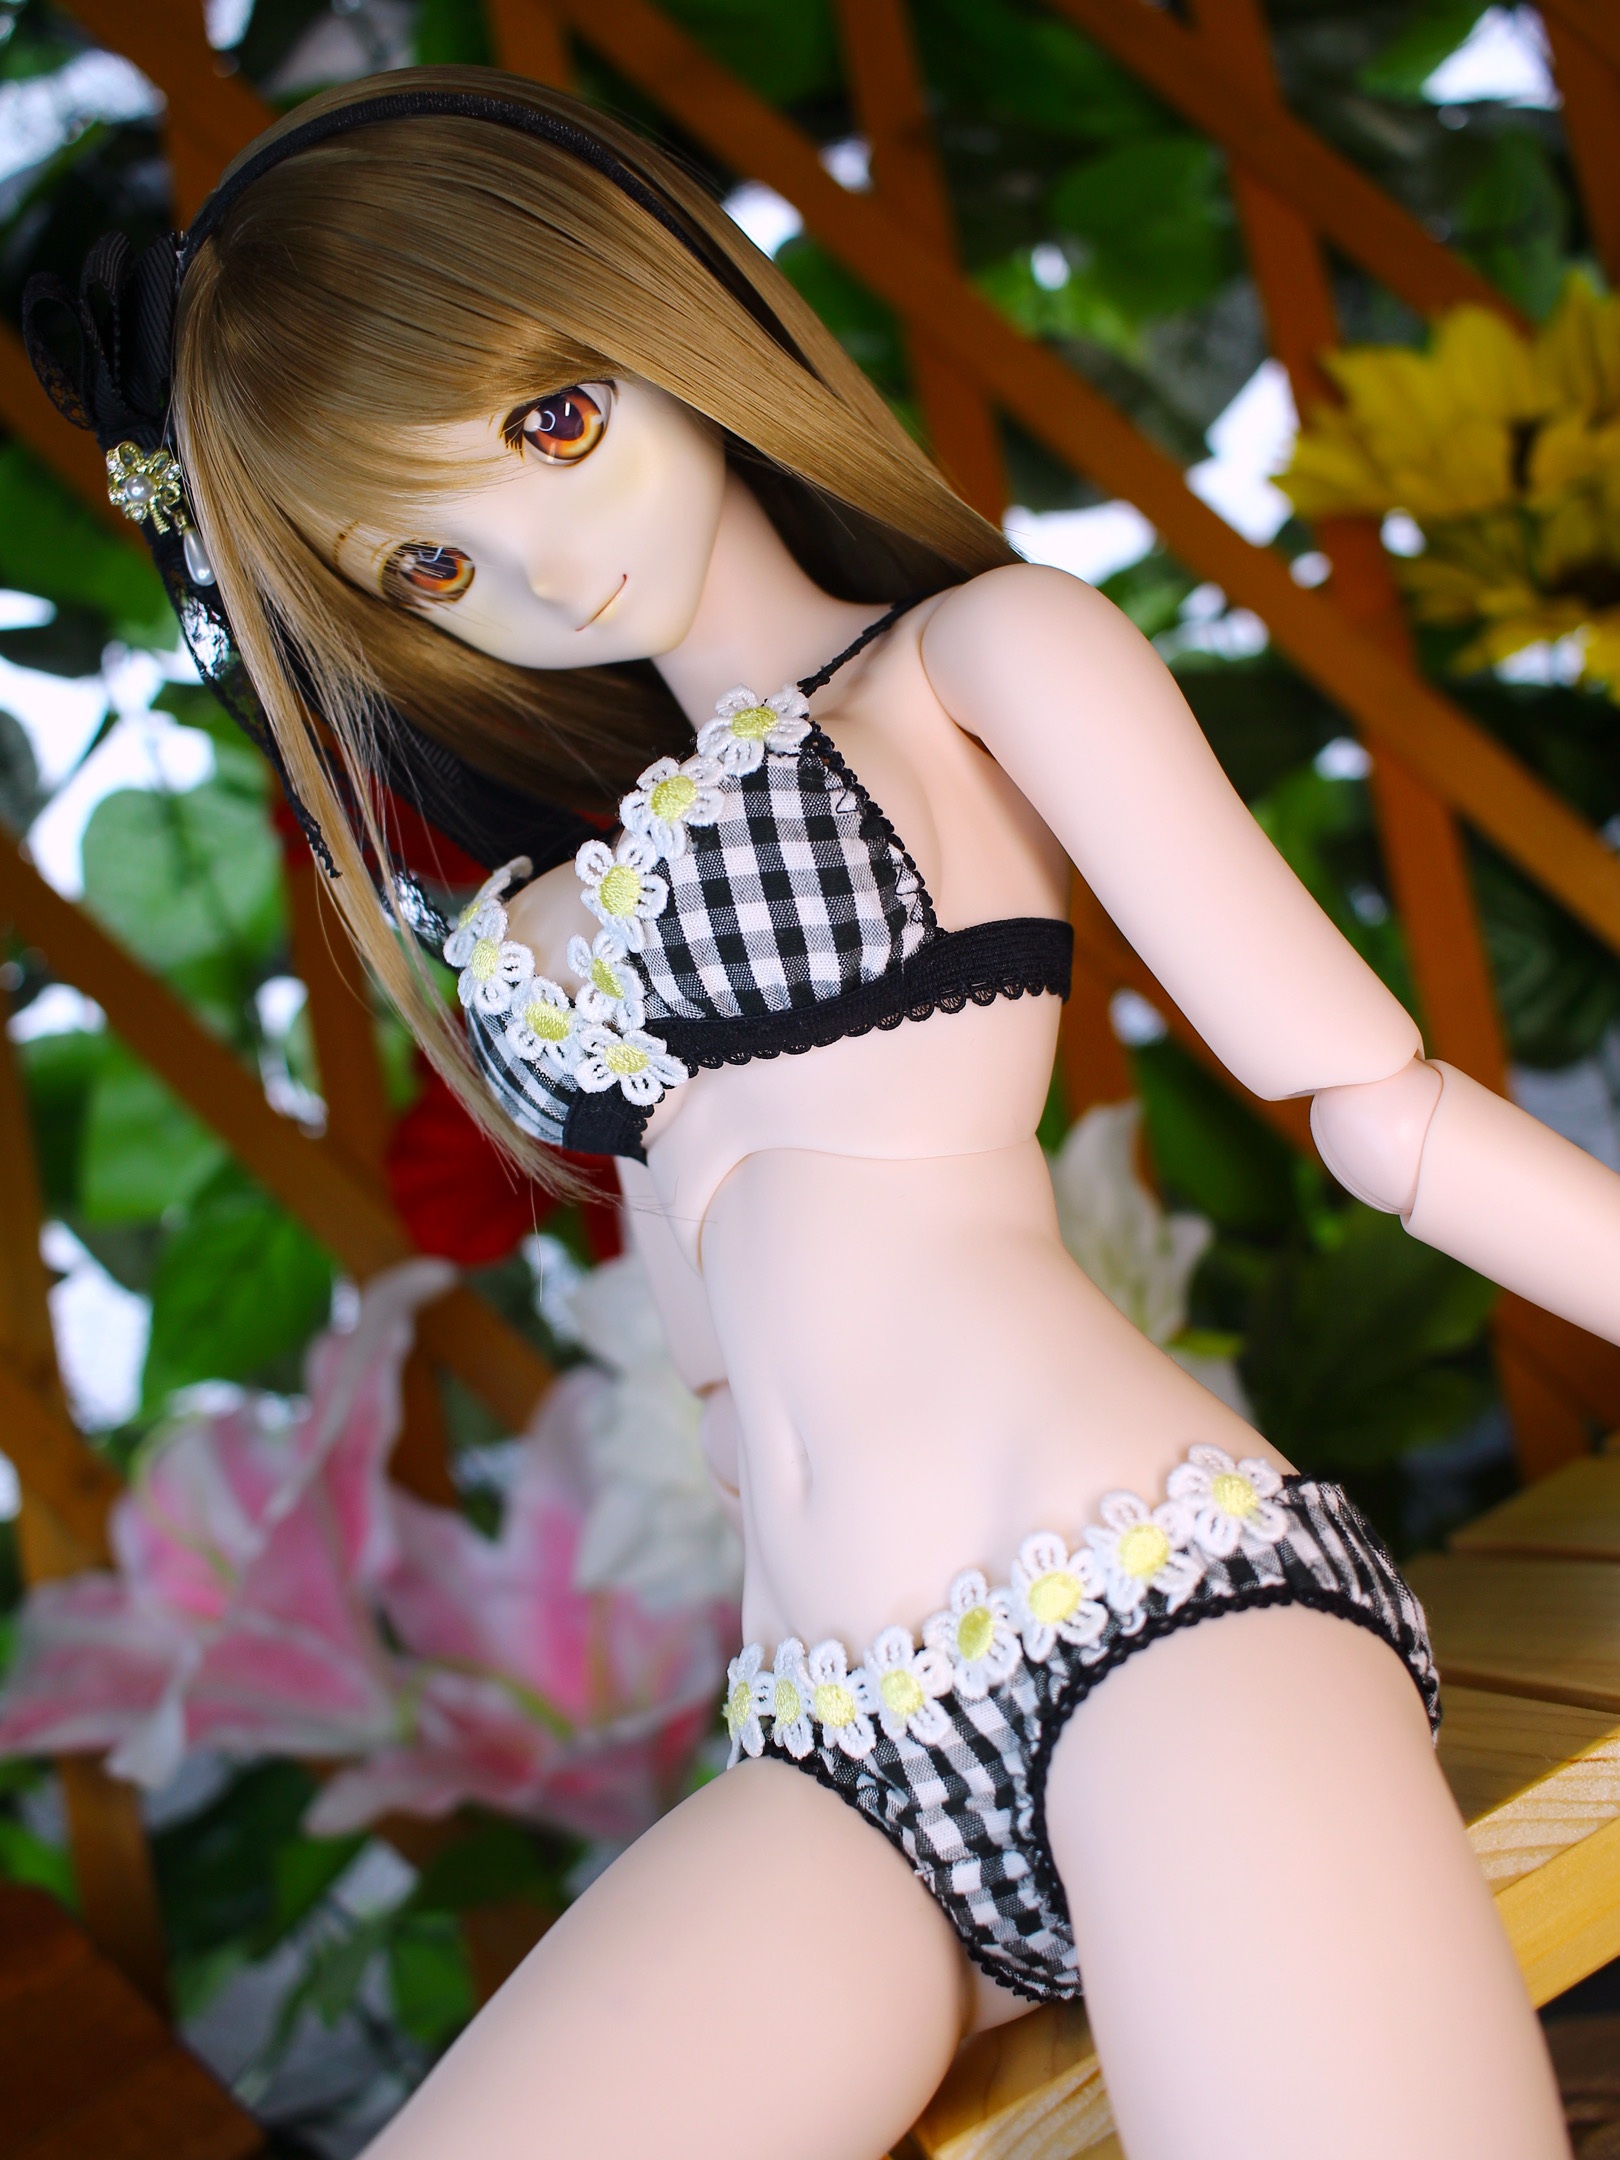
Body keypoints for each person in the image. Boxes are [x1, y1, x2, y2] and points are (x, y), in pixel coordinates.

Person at [32, 65, 1598, 2160]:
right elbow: (716, 1362)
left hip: (1163, 1619)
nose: (542, 567)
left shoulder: (974, 665)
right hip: (832, 1752)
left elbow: (1372, 1102)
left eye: (555, 423)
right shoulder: (550, 898)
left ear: (662, 319)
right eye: (426, 560)